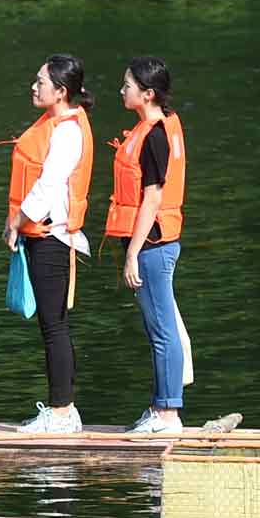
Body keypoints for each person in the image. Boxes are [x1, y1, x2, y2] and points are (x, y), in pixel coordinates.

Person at [4, 54, 95, 434]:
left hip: (54, 236)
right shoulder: (56, 123)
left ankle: (61, 412)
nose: (33, 85)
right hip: (40, 233)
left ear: (60, 91)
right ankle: (61, 410)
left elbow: (49, 185)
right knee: (51, 324)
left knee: (55, 326)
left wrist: (16, 221)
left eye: (40, 81)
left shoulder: (69, 131)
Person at [105, 56, 191, 434]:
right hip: (154, 243)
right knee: (160, 325)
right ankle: (160, 407)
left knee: (162, 328)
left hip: (153, 244)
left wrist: (132, 254)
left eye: (128, 84)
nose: (122, 90)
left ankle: (168, 413)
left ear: (148, 93)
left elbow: (152, 198)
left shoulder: (155, 135)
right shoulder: (153, 128)